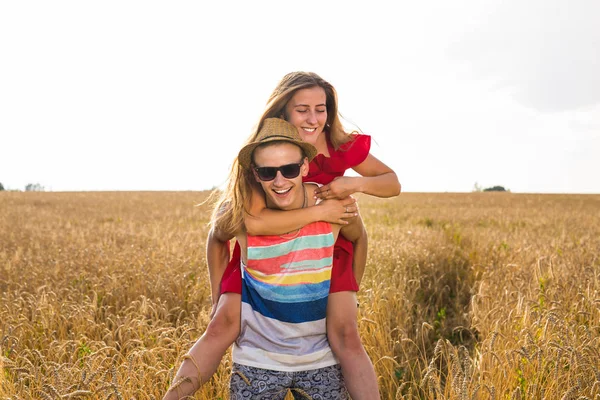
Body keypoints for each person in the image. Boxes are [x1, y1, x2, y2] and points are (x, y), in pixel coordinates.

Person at [166, 72, 401, 399]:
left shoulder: (339, 146)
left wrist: (354, 184)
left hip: (326, 243)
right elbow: (254, 224)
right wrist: (217, 293)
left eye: (321, 109)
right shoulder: (267, 151)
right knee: (222, 325)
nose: (313, 118)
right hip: (266, 244)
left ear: (303, 166)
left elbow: (392, 184)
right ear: (282, 111)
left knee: (345, 335)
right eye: (302, 109)